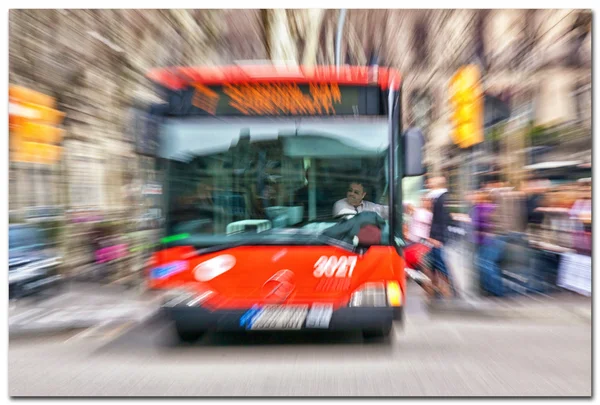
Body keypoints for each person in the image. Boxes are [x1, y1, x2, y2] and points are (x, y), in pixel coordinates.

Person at [423, 176, 455, 299]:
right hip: (435, 236)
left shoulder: (443, 198)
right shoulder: (437, 197)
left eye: (432, 180)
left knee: (439, 263)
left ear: (438, 183)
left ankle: (448, 290)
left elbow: (442, 219)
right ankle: (435, 287)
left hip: (438, 237)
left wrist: (436, 238)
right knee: (432, 262)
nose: (429, 181)